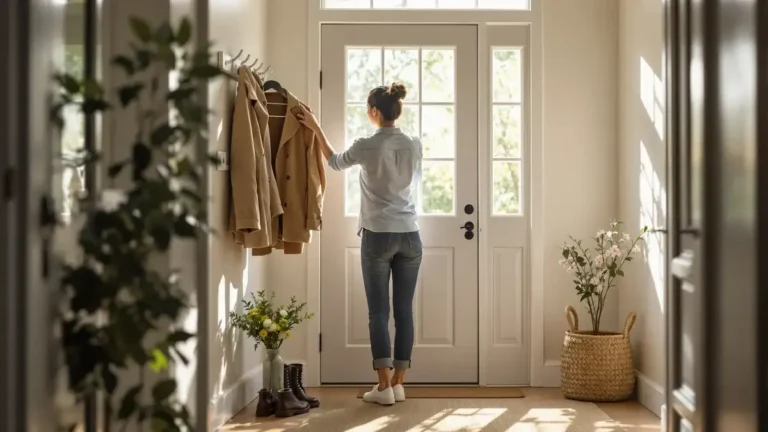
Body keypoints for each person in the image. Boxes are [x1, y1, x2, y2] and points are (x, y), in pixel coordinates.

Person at [296, 82, 423, 406]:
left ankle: (383, 387)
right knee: (404, 311)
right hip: (410, 234)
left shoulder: (367, 145)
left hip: (378, 235)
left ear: (376, 112)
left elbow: (334, 161)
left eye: (369, 109)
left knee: (379, 311)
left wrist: (314, 125)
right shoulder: (414, 144)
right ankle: (398, 383)